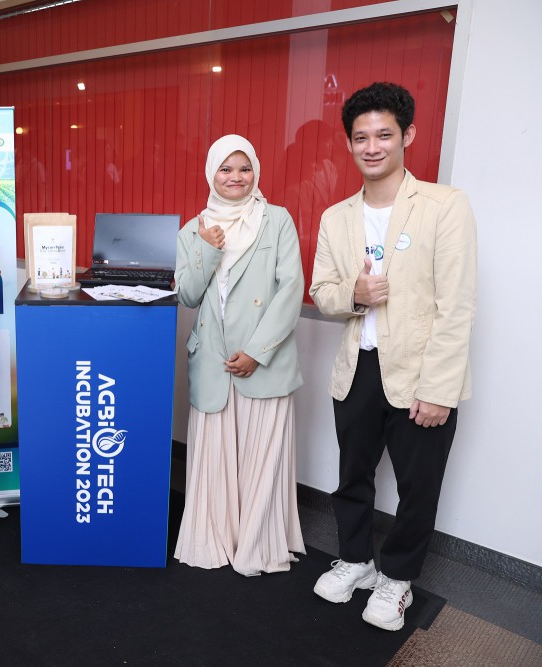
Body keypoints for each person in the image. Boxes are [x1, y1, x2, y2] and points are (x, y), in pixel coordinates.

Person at [310, 82, 476, 631]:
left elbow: (457, 304)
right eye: (361, 137)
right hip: (358, 368)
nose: (372, 146)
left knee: (417, 488)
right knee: (352, 476)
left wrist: (439, 389)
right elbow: (322, 292)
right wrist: (354, 294)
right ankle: (355, 560)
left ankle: (397, 578)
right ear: (349, 144)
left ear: (408, 136)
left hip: (421, 374)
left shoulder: (444, 205)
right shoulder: (336, 217)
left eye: (384, 134)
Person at [174, 134, 306, 576]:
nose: (236, 177)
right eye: (226, 169)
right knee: (215, 459)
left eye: (244, 168)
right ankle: (214, 538)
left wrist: (256, 351)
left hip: (262, 362)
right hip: (213, 362)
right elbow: (188, 295)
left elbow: (290, 289)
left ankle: (257, 543)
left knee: (260, 458)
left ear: (256, 172)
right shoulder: (192, 230)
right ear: (210, 173)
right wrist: (208, 248)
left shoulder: (277, 220)